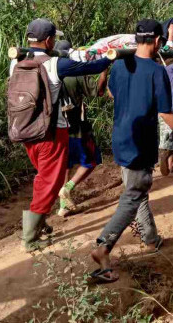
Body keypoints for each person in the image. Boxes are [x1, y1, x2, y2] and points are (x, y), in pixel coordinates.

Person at [90, 19, 173, 283]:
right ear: (159, 42)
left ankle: (150, 238)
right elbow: (165, 111)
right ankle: (103, 247)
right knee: (133, 195)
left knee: (135, 190)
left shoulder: (119, 66)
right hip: (140, 141)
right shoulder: (156, 71)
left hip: (120, 138)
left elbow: (113, 95)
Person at [10, 19, 111, 252]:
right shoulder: (55, 64)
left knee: (43, 178)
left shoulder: (17, 62)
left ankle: (40, 224)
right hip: (51, 134)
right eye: (53, 37)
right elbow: (93, 68)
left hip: (26, 132)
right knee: (49, 182)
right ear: (48, 40)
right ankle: (30, 238)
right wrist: (110, 57)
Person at [53, 40, 108, 218]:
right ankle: (67, 189)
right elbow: (98, 92)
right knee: (90, 161)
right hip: (77, 127)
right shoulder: (76, 73)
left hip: (56, 129)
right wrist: (104, 70)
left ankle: (63, 206)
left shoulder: (47, 73)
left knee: (65, 165)